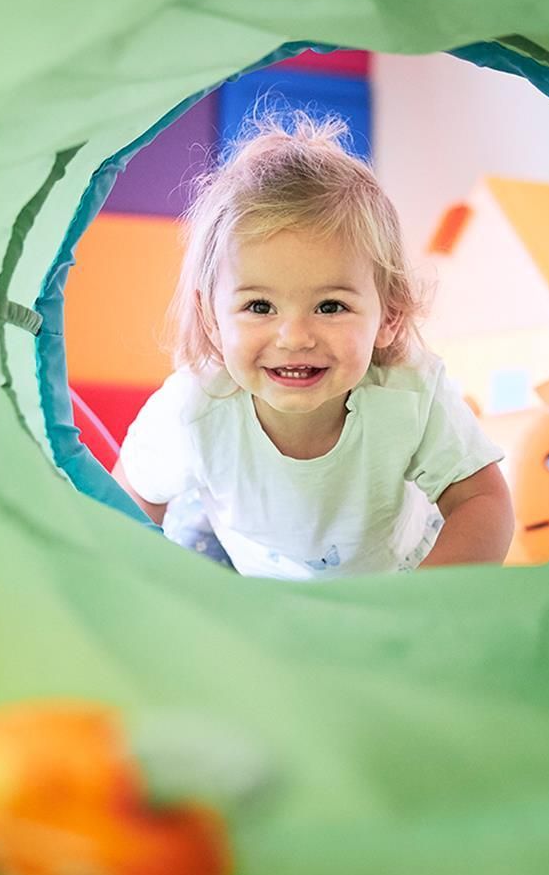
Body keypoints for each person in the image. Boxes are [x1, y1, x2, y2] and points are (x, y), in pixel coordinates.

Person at [111, 113, 514, 579]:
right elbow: (128, 504)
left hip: (390, 579)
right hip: (244, 576)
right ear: (211, 319)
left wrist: (420, 603)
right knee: (187, 532)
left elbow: (484, 500)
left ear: (390, 316)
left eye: (330, 306)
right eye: (260, 307)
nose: (295, 337)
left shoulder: (409, 394)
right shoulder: (193, 409)